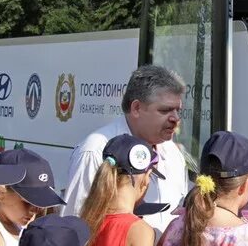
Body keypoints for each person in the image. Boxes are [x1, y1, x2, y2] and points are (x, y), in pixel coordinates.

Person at [63, 65, 188, 235]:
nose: (175, 118)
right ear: (136, 108)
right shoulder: (95, 150)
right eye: (165, 110)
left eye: (178, 110)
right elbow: (73, 226)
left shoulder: (174, 154)